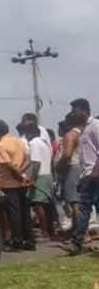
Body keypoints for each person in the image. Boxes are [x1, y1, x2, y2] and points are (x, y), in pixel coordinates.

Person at [63, 99, 99, 255]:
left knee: (86, 209)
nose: (73, 114)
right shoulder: (82, 129)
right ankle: (77, 243)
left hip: (95, 174)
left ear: (84, 111)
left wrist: (96, 171)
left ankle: (77, 243)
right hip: (87, 175)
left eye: (75, 110)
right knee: (85, 209)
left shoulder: (95, 126)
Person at [0, 120, 35, 252]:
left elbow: (8, 165)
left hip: (9, 182)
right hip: (21, 182)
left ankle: (16, 241)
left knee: (13, 213)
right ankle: (29, 240)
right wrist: (22, 172)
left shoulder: (1, 145)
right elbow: (28, 159)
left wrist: (18, 175)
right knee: (24, 212)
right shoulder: (19, 142)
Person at [57, 113, 83, 238]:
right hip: (80, 167)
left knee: (74, 202)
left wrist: (58, 166)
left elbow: (67, 155)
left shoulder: (70, 135)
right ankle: (77, 231)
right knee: (77, 201)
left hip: (71, 167)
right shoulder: (81, 133)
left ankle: (78, 234)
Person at [26, 126, 54, 240]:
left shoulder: (34, 143)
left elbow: (36, 162)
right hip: (48, 175)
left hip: (40, 176)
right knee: (46, 205)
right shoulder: (45, 144)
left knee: (38, 205)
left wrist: (32, 178)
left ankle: (44, 232)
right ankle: (48, 230)